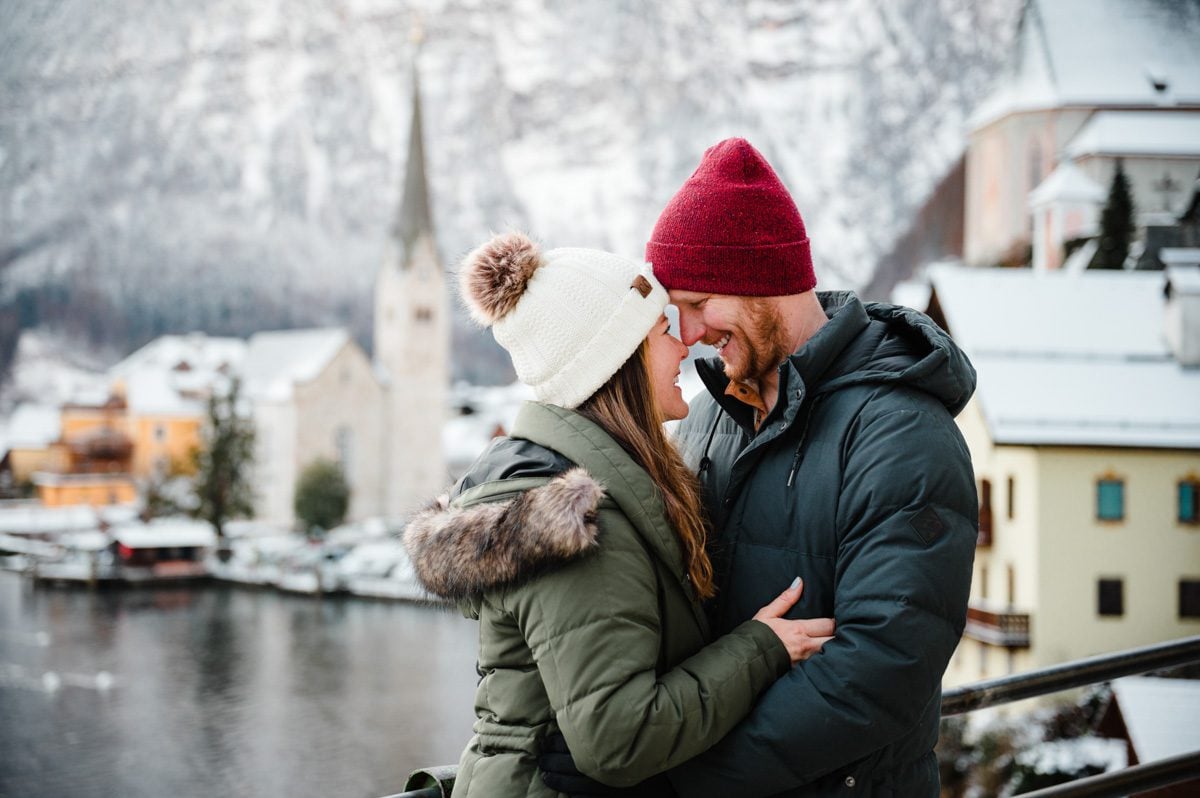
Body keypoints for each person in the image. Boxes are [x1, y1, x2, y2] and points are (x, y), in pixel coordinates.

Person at [543, 138, 979, 797]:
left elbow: (882, 669)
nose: (687, 334)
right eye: (676, 311)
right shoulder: (708, 414)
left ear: (760, 282)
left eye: (697, 303)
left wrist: (684, 781)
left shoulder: (901, 432)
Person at [403, 231, 836, 797]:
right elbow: (618, 737)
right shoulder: (576, 521)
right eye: (662, 330)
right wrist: (761, 648)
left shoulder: (575, 487)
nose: (685, 344)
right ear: (617, 361)